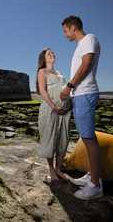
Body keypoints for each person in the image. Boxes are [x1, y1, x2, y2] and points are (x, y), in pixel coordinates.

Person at [60, 15, 102, 200]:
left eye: (65, 30)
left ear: (73, 27)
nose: (64, 34)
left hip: (85, 93)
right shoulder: (81, 44)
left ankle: (95, 185)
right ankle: (93, 176)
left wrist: (68, 86)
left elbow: (86, 64)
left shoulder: (88, 39)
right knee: (86, 138)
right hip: (79, 95)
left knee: (89, 139)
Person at [36, 48, 72, 183]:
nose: (52, 55)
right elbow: (43, 91)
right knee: (50, 139)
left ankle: (58, 169)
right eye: (49, 54)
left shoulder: (59, 73)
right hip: (50, 110)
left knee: (63, 140)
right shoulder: (42, 71)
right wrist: (54, 107)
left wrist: (68, 105)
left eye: (53, 53)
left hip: (64, 112)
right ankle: (51, 171)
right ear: (43, 58)